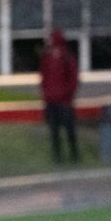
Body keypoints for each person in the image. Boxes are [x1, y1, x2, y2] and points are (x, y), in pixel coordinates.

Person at [39, 29, 80, 164]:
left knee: (69, 130)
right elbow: (44, 77)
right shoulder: (47, 57)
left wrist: (66, 94)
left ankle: (74, 155)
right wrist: (46, 94)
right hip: (51, 102)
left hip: (64, 102)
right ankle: (57, 157)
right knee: (54, 131)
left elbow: (73, 79)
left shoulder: (67, 57)